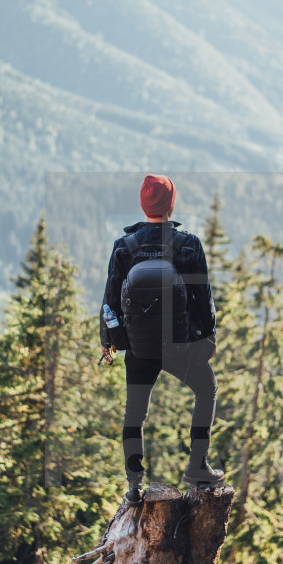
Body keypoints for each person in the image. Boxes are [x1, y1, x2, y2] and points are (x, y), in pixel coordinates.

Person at [100, 174, 223, 505]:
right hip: (178, 346)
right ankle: (197, 466)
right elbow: (202, 300)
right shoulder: (189, 244)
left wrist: (109, 342)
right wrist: (206, 339)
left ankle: (134, 486)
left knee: (134, 414)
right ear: (171, 204)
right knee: (206, 389)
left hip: (139, 349)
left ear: (143, 205)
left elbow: (110, 302)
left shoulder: (124, 247)